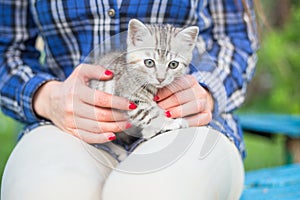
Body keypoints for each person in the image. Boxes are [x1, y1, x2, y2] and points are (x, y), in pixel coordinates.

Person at [0, 0, 258, 199]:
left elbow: (234, 39)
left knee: (151, 191)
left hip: (186, 125)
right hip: (67, 128)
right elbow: (6, 51)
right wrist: (46, 96)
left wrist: (206, 91)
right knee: (47, 191)